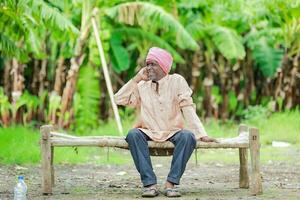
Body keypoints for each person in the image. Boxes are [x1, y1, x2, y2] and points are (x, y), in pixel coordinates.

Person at [114, 47, 217, 198]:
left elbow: (187, 108)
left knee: (188, 137)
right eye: (147, 64)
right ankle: (149, 184)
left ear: (163, 67)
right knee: (133, 134)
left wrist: (201, 134)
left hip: (173, 131)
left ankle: (171, 183)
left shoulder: (177, 81)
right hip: (148, 131)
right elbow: (118, 99)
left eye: (153, 64)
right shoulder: (142, 86)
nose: (148, 68)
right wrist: (136, 79)